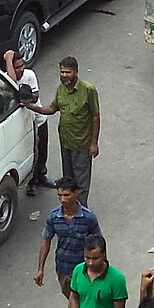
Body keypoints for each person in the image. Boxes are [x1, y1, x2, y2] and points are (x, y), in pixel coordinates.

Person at [30, 56, 100, 201]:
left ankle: (81, 212)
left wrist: (94, 143)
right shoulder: (61, 89)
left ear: (76, 71)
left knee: (81, 182)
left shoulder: (88, 90)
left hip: (82, 144)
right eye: (62, 72)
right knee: (68, 180)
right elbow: (52, 108)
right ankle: (69, 207)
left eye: (68, 72)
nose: (64, 75)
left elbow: (95, 117)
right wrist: (31, 107)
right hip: (65, 142)